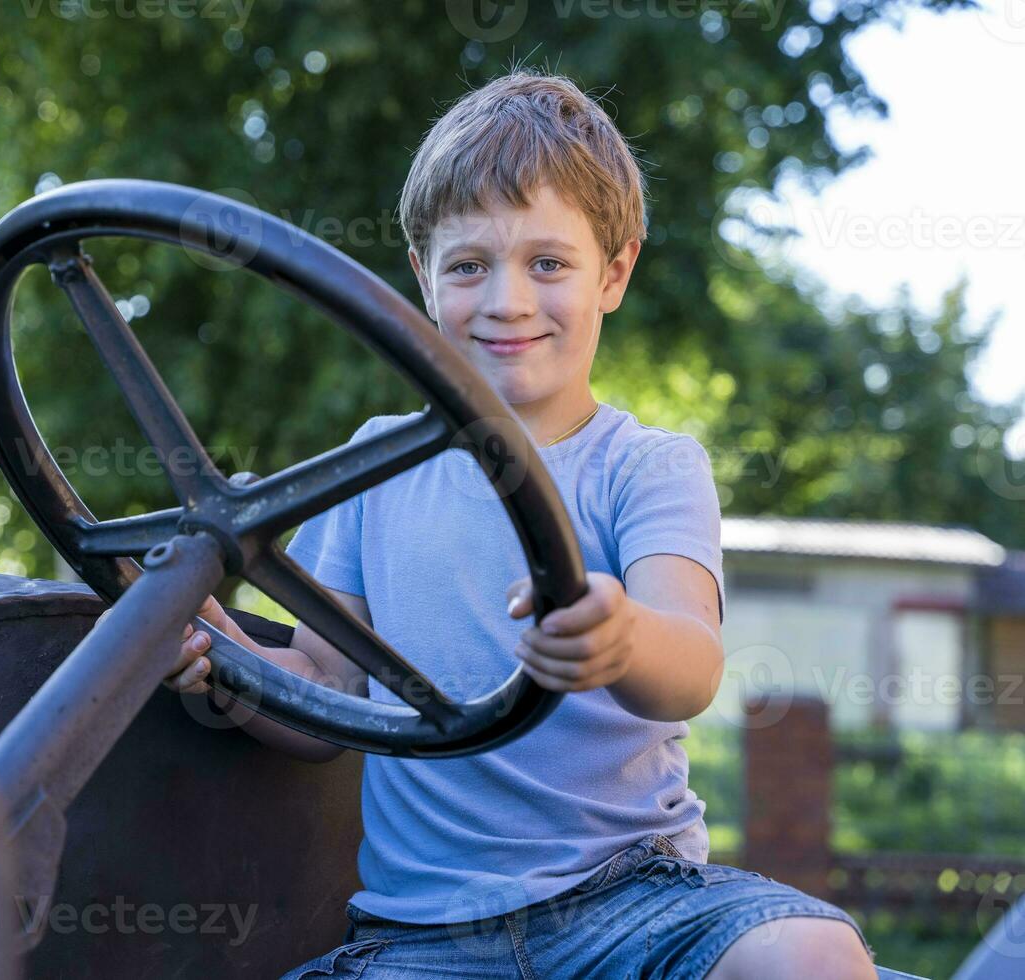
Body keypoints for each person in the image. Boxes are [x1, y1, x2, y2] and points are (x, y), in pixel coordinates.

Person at [162, 69, 877, 979]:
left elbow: (692, 665)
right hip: (421, 935)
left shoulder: (647, 467)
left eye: (549, 263)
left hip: (631, 901)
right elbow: (327, 697)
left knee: (813, 954)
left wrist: (619, 640)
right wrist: (225, 661)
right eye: (469, 265)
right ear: (422, 279)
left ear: (614, 272)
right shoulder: (371, 470)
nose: (507, 300)